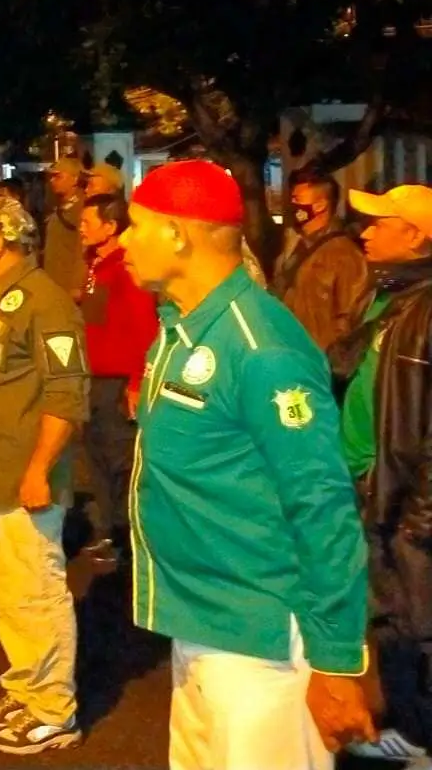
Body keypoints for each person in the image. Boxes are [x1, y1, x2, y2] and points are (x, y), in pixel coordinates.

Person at [121, 160, 374, 768]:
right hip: (203, 625)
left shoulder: (262, 348)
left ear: (179, 234)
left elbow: (322, 504)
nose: (123, 240)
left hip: (261, 643)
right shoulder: (182, 330)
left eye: (136, 226)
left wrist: (338, 659)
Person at [0, 195, 89, 755]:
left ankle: (54, 709)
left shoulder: (46, 303)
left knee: (36, 590)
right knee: (7, 591)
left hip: (24, 478)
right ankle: (27, 686)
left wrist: (39, 469)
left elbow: (66, 395)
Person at [330, 185, 432, 760]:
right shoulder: (391, 295)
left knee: (418, 628)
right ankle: (408, 728)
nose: (363, 231)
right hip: (376, 488)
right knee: (389, 619)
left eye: (379, 223)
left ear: (415, 236)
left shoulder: (425, 305)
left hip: (403, 501)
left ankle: (422, 738)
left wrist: (418, 520)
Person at [77, 192, 158, 562]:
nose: (81, 228)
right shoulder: (96, 264)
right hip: (93, 377)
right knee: (96, 457)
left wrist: (137, 381)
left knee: (120, 460)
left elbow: (143, 328)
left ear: (111, 227)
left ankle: (129, 541)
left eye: (87, 222)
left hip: (115, 381)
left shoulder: (127, 268)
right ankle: (108, 531)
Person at [274, 173, 371, 353]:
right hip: (293, 356)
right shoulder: (299, 245)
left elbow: (349, 319)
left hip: (317, 365)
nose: (292, 204)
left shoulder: (345, 254)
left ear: (320, 205)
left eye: (297, 199)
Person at [42, 157, 86, 300]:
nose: (52, 181)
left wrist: (77, 285)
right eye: (51, 177)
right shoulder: (59, 207)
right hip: (53, 283)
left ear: (75, 179)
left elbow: (83, 249)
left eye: (58, 176)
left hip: (69, 287)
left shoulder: (82, 209)